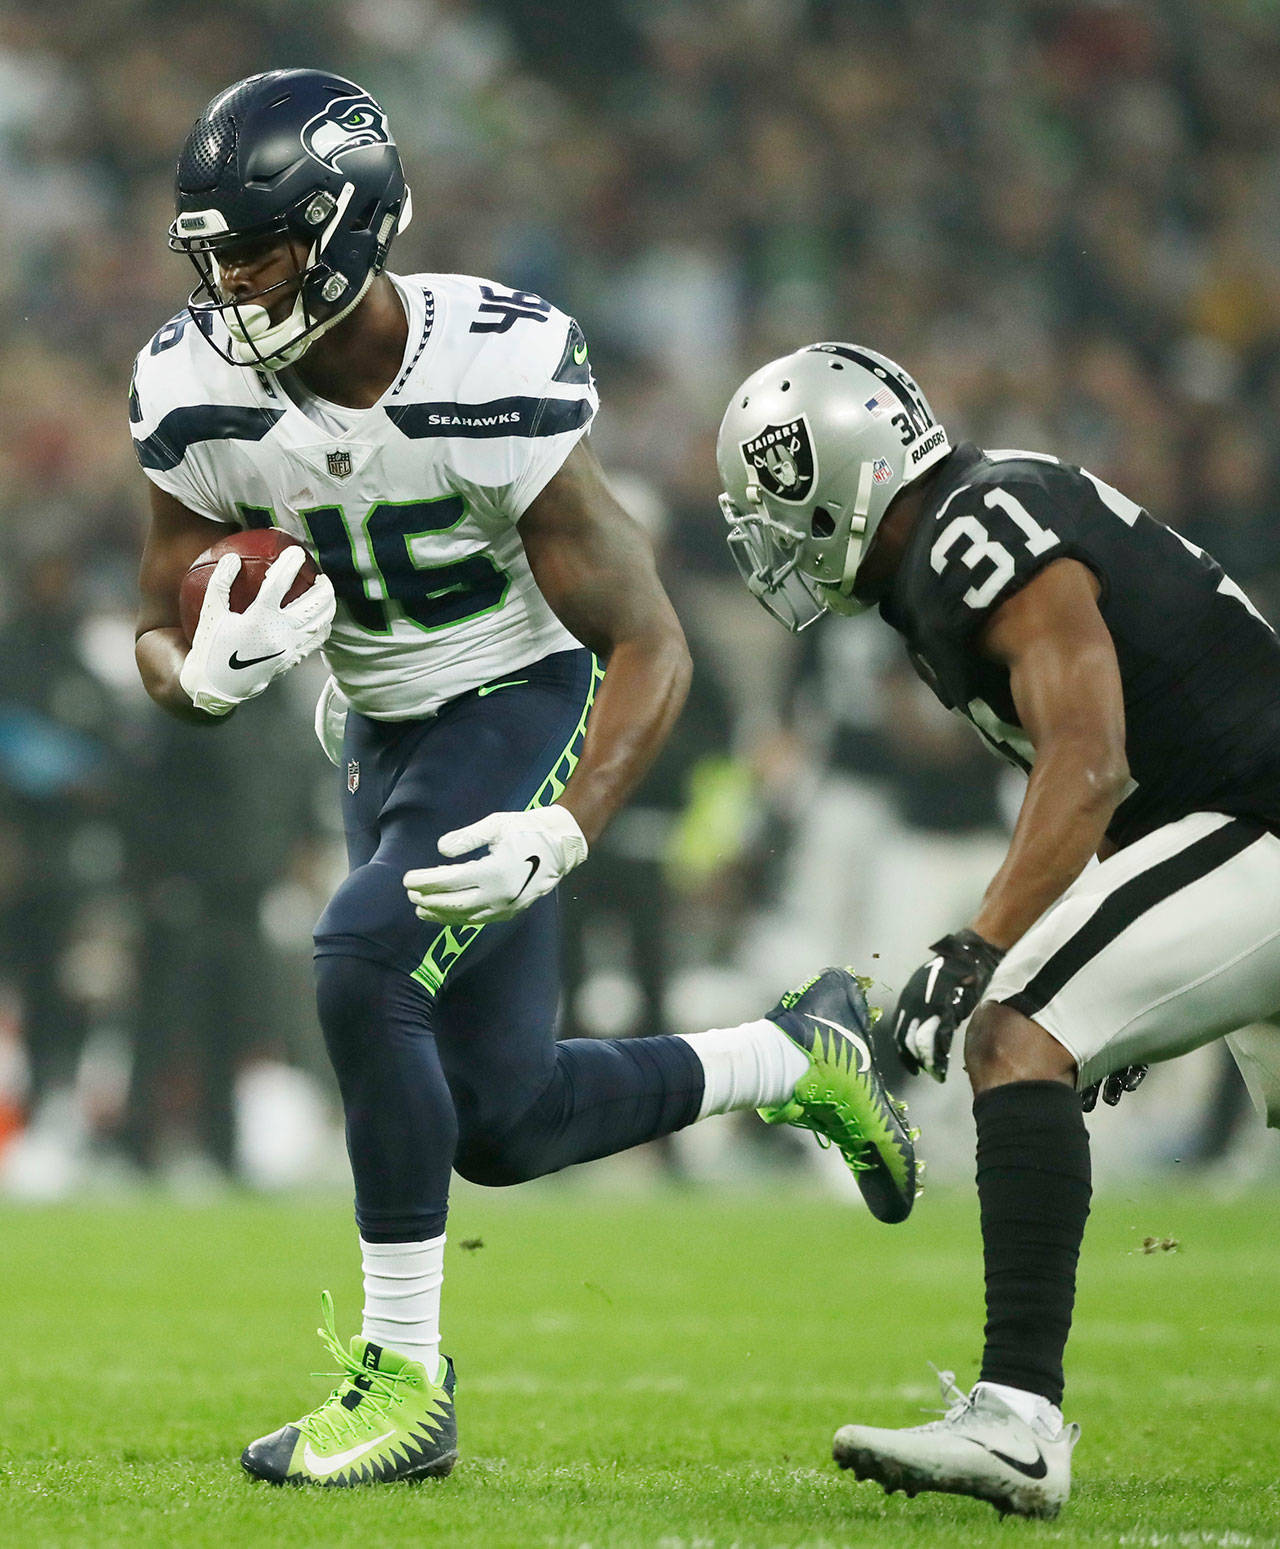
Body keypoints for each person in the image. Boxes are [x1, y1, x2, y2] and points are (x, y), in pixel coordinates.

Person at [130, 72, 918, 1488]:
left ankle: (405, 1385)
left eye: (261, 250)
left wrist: (563, 825)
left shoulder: (487, 366)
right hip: (379, 736)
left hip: (520, 696)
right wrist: (194, 678)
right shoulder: (194, 392)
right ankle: (802, 1057)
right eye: (214, 256)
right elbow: (152, 612)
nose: (233, 286)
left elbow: (650, 641)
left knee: (360, 962)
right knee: (500, 1119)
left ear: (350, 229)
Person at [717, 342, 1280, 1519]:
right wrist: (1119, 991)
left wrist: (981, 945)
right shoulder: (962, 533)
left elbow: (1090, 756)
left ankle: (1017, 1420)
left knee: (1012, 1030)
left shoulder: (972, 534)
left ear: (840, 478)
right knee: (1045, 1024)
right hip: (1233, 823)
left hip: (1262, 821)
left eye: (775, 502)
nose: (766, 535)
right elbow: (1144, 755)